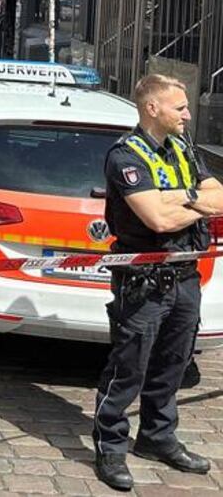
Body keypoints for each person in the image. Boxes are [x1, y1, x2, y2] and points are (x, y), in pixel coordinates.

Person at [93, 74, 218, 491]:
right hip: (144, 281)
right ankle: (111, 447)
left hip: (186, 276)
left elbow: (219, 194)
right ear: (152, 108)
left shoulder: (182, 147)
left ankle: (157, 437)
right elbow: (158, 220)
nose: (187, 113)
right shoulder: (126, 156)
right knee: (128, 369)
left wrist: (178, 198)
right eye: (179, 107)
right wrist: (193, 201)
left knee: (174, 366)